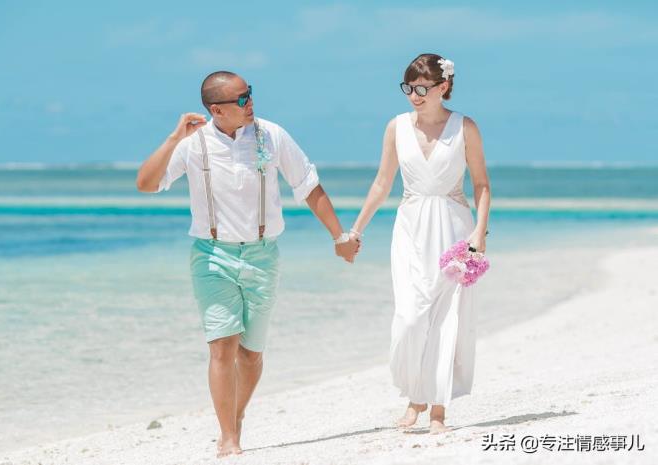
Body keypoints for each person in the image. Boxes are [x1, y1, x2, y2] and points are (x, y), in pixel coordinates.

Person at [136, 71, 359, 457]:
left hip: (262, 255)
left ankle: (236, 415)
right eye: (241, 99)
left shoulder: (271, 135)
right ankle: (229, 437)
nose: (250, 102)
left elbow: (308, 186)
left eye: (250, 93)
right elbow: (146, 183)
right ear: (216, 110)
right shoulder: (192, 144)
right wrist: (174, 138)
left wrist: (339, 237)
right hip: (212, 256)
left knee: (251, 354)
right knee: (222, 346)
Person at [350, 54, 491, 433]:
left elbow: (481, 184)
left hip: (454, 229)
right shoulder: (396, 127)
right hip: (410, 229)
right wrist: (356, 230)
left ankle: (437, 410)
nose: (414, 95)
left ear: (443, 87)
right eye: (409, 88)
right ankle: (414, 395)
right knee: (410, 319)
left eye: (422, 89)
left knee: (447, 319)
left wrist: (479, 232)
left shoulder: (465, 127)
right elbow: (382, 183)